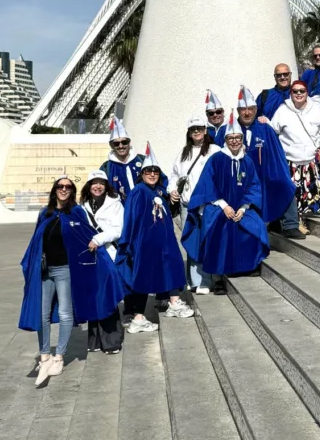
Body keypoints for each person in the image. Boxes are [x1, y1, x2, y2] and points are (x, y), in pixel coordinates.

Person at [19, 177, 124, 386]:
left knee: (66, 312)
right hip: (45, 271)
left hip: (65, 270)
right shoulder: (44, 213)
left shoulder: (76, 212)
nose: (64, 189)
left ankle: (59, 357)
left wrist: (100, 257)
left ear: (73, 191)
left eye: (68, 187)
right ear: (54, 190)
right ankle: (44, 356)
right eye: (60, 186)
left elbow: (88, 237)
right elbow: (36, 241)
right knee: (42, 314)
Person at [115, 143, 194, 333]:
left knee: (173, 267)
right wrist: (132, 244)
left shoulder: (157, 191)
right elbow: (132, 220)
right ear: (142, 174)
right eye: (148, 171)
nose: (152, 174)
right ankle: (138, 318)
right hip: (144, 244)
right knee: (143, 278)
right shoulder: (138, 192)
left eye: (155, 172)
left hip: (163, 243)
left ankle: (174, 302)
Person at [187, 114, 270, 274]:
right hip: (219, 206)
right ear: (225, 140)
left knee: (255, 226)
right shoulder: (216, 159)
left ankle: (248, 265)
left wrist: (244, 208)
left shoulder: (247, 161)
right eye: (230, 138)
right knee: (218, 226)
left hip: (241, 208)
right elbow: (207, 185)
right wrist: (224, 206)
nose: (234, 141)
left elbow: (254, 186)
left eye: (238, 137)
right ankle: (219, 274)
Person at [235, 86, 299, 237]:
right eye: (243, 109)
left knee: (285, 184)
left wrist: (279, 174)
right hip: (241, 179)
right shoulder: (231, 130)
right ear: (238, 111)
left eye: (250, 108)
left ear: (256, 109)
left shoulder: (265, 128)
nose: (247, 112)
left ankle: (290, 225)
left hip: (264, 174)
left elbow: (277, 154)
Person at [168, 117, 220, 295]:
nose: (196, 132)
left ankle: (206, 279)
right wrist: (172, 190)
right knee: (191, 240)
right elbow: (175, 175)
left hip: (207, 204)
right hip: (187, 204)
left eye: (199, 128)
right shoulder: (184, 153)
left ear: (205, 130)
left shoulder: (214, 150)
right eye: (193, 129)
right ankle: (194, 279)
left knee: (206, 241)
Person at [80, 170, 125, 353]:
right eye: (94, 183)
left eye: (101, 183)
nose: (97, 186)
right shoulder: (83, 205)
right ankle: (95, 340)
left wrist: (98, 239)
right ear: (89, 186)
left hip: (107, 253)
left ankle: (112, 341)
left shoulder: (115, 204)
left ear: (106, 186)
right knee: (93, 295)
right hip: (90, 255)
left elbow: (119, 230)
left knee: (107, 295)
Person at [270, 81, 320, 224]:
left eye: (302, 91)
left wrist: (318, 148)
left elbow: (319, 132)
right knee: (293, 196)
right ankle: (296, 223)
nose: (299, 94)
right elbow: (272, 132)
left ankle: (304, 221)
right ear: (291, 94)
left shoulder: (317, 110)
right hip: (290, 161)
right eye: (295, 91)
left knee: (308, 196)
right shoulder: (282, 111)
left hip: (310, 161)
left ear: (307, 93)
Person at [101, 116, 145, 201]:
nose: (121, 146)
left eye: (124, 142)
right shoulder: (106, 167)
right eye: (116, 143)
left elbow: (160, 181)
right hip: (120, 211)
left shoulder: (143, 160)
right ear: (112, 146)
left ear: (129, 143)